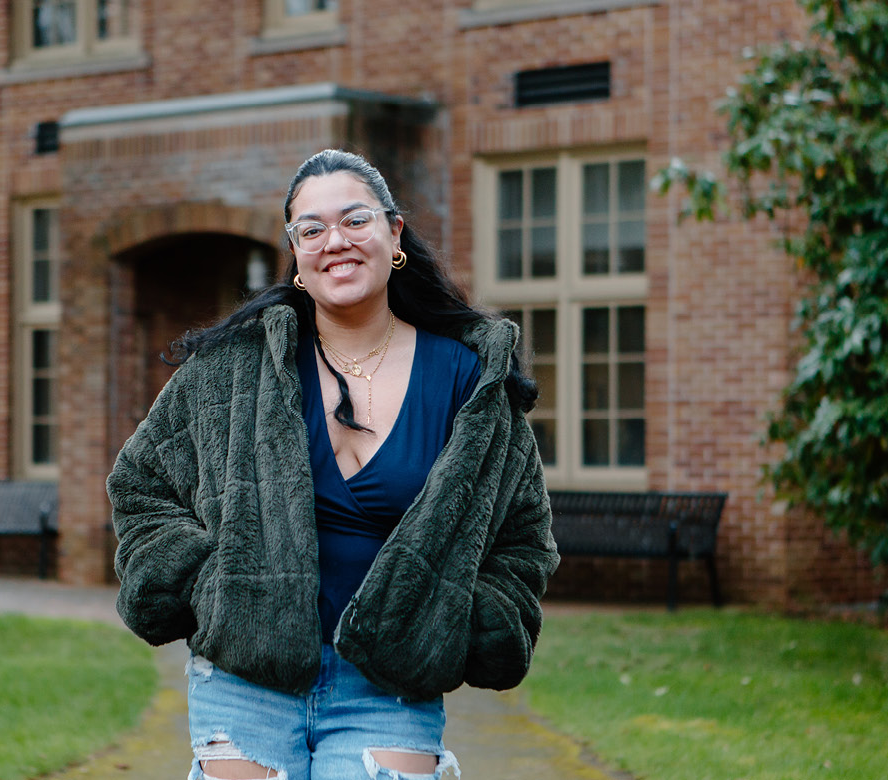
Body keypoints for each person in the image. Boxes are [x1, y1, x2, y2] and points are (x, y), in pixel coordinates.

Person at [107, 149, 559, 780]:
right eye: (311, 229)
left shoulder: (468, 381)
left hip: (389, 681)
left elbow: (522, 538)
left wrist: (457, 619)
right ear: (295, 253)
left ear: (393, 233)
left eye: (355, 220)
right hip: (244, 672)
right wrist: (210, 585)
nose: (334, 242)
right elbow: (142, 487)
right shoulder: (234, 369)